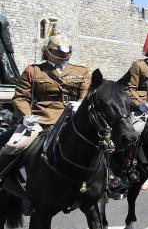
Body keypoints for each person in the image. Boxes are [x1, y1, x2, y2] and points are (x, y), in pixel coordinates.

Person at [0, 35, 90, 207]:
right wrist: (26, 116)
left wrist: (80, 104)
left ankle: (112, 179)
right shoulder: (33, 71)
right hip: (41, 118)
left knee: (103, 141)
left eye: (66, 51)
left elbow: (86, 93)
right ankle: (4, 177)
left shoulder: (81, 71)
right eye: (58, 51)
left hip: (72, 119)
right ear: (48, 51)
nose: (63, 54)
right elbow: (20, 97)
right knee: (14, 145)